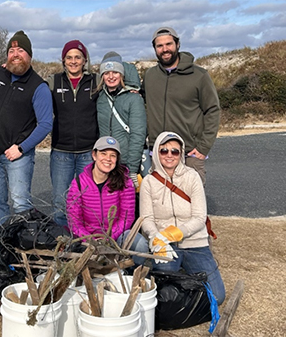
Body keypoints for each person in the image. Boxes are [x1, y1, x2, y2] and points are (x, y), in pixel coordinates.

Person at [0, 30, 53, 266]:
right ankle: (1, 249)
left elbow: (46, 123)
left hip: (17, 157)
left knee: (20, 205)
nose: (15, 55)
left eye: (21, 51)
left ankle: (22, 253)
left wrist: (21, 147)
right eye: (11, 50)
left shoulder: (38, 86)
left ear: (29, 56)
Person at [139, 131, 225, 304]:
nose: (169, 155)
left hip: (195, 243)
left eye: (175, 151)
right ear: (156, 152)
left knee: (217, 297)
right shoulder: (148, 181)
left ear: (181, 154)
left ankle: (188, 286)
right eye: (164, 151)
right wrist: (156, 237)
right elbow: (146, 218)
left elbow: (200, 217)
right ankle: (184, 285)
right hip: (166, 245)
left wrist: (174, 233)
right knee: (165, 297)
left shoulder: (192, 177)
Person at [142, 27, 221, 185]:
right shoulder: (150, 76)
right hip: (158, 152)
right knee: (160, 203)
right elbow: (141, 99)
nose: (165, 49)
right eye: (160, 46)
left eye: (169, 44)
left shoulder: (199, 75)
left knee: (190, 203)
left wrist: (203, 148)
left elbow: (213, 110)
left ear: (178, 44)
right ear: (155, 49)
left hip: (189, 152)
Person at [66, 136, 148, 267]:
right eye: (103, 153)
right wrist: (91, 240)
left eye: (113, 155)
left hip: (116, 235)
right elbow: (74, 221)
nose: (108, 159)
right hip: (87, 237)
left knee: (140, 244)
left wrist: (109, 237)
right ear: (94, 155)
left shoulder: (124, 181)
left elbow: (126, 217)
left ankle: (130, 275)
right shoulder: (79, 183)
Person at [46, 40, 98, 226]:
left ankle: (86, 243)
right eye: (69, 57)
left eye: (78, 57)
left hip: (89, 153)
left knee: (88, 202)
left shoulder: (95, 81)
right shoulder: (54, 81)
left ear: (85, 60)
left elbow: (118, 77)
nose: (73, 61)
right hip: (61, 152)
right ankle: (62, 243)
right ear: (63, 59)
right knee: (61, 202)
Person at [96, 52, 147, 192]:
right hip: (106, 162)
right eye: (106, 73)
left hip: (126, 163)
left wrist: (132, 168)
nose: (111, 76)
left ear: (122, 74)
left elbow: (138, 135)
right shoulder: (100, 98)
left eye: (115, 72)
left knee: (130, 204)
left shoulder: (134, 99)